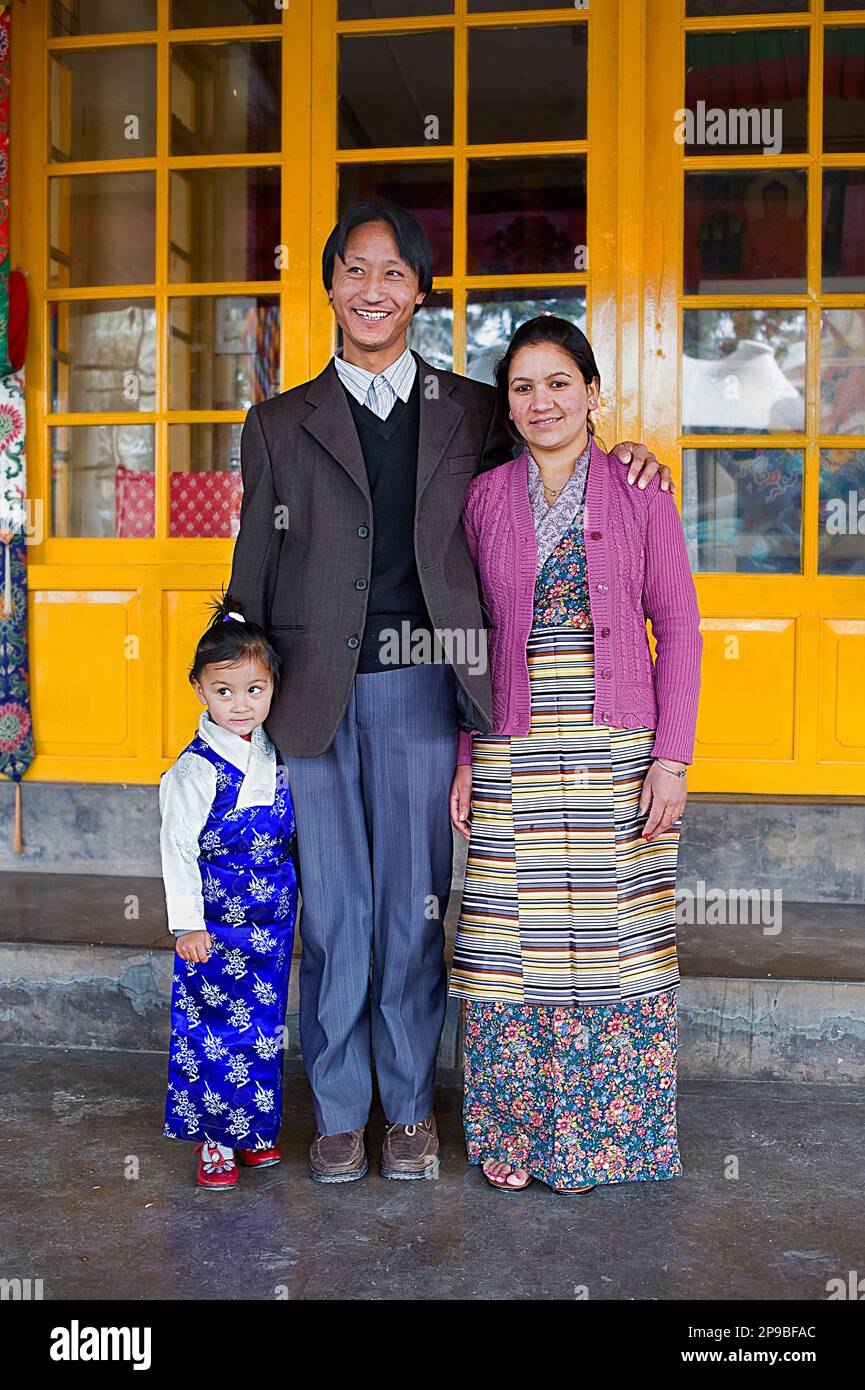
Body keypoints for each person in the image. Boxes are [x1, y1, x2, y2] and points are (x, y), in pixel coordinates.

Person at [227, 198, 672, 1185]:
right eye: (354, 269)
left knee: (412, 912)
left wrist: (636, 455)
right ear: (330, 285)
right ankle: (338, 1111)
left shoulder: (473, 410)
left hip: (426, 688)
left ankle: (408, 1112)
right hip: (307, 698)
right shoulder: (273, 423)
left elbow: (560, 465)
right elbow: (248, 578)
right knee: (333, 914)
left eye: (392, 272)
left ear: (419, 291)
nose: (371, 288)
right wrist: (235, 707)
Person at [449, 315, 702, 1194]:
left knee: (609, 942)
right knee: (510, 941)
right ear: (507, 405)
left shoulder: (639, 489)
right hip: (513, 740)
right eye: (523, 386)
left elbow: (680, 628)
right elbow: (470, 638)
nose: (541, 400)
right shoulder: (482, 498)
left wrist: (672, 758)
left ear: (593, 393)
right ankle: (516, 1138)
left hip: (617, 743)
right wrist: (466, 754)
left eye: (559, 382)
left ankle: (594, 1144)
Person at [159, 595, 298, 1190]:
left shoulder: (273, 751)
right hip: (216, 922)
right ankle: (214, 1139)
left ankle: (253, 1130)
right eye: (224, 692)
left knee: (260, 1025)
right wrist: (187, 923)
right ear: (199, 689)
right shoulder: (194, 770)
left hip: (270, 921)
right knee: (211, 1027)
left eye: (254, 690)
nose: (240, 706)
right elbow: (177, 848)